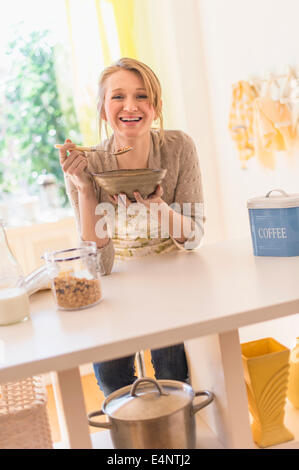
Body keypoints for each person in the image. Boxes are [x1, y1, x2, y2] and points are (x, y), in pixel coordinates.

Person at [58, 57, 204, 397]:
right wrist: (84, 188)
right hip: (115, 291)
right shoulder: (87, 163)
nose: (130, 106)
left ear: (157, 106)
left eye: (141, 96)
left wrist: (158, 207)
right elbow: (100, 265)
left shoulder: (178, 147)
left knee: (172, 377)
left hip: (172, 285)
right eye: (118, 97)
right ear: (102, 107)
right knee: (113, 383)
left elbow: (193, 237)